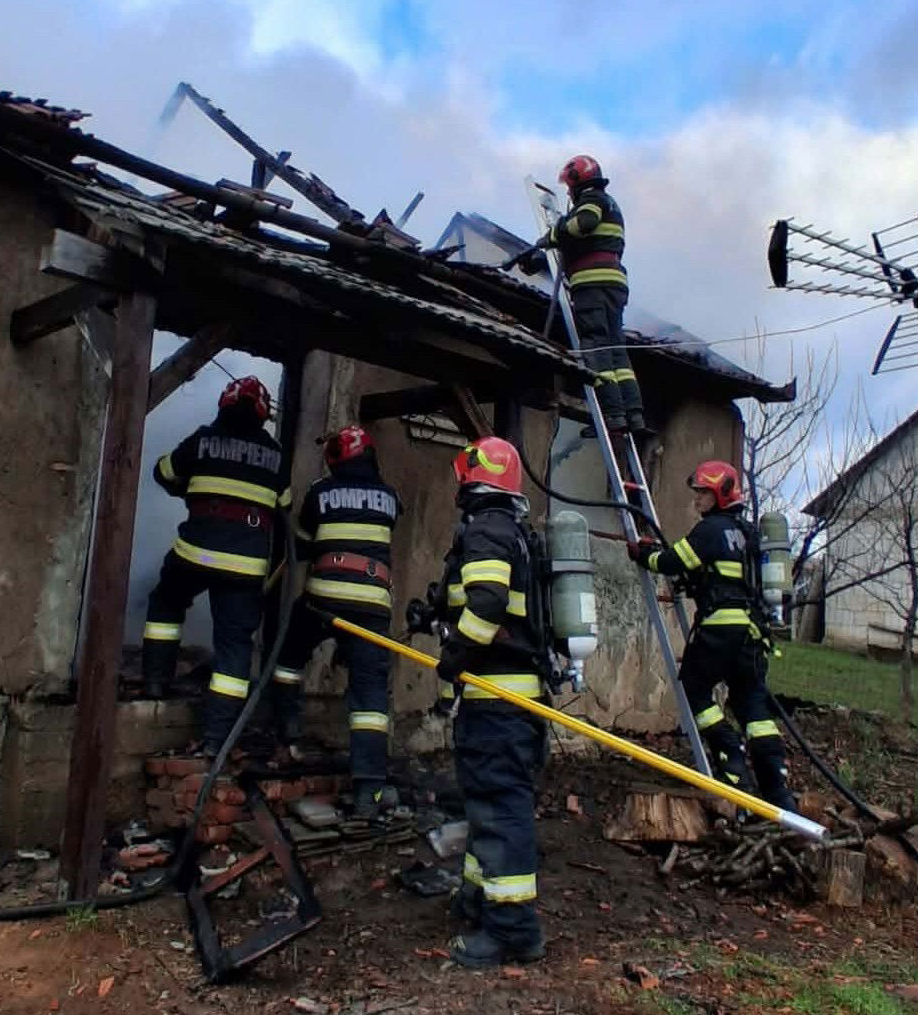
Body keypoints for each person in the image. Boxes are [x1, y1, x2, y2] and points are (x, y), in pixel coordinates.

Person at [430, 436, 548, 968]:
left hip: (498, 700)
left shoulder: (488, 529)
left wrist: (454, 654)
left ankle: (513, 930)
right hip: (508, 700)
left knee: (501, 810)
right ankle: (480, 898)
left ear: (474, 478)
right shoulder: (513, 532)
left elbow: (487, 604)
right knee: (486, 804)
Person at [627, 460, 797, 813]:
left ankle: (730, 759)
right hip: (754, 634)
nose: (697, 500)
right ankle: (777, 791)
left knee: (694, 689)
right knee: (753, 706)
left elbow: (670, 562)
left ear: (720, 494)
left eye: (703, 493)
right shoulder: (750, 533)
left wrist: (643, 552)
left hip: (720, 629)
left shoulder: (710, 530)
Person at [141, 376, 291, 755]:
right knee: (234, 647)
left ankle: (156, 681)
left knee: (166, 602)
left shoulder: (203, 439)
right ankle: (218, 739)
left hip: (196, 553)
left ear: (225, 402)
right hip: (245, 567)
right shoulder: (275, 455)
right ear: (262, 413)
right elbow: (285, 507)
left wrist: (193, 484)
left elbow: (164, 473)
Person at [270, 425, 404, 819]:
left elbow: (303, 543)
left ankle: (287, 734)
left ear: (334, 459)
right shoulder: (391, 497)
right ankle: (369, 790)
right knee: (369, 699)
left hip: (322, 598)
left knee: (288, 658)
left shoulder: (319, 492)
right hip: (371, 605)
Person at [538, 154, 645, 437]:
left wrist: (553, 233)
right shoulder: (610, 204)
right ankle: (633, 415)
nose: (568, 192)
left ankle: (612, 416)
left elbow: (581, 225)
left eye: (568, 186)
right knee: (616, 351)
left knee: (595, 347)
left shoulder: (592, 201)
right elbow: (586, 244)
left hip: (593, 285)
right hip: (612, 283)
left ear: (577, 182)